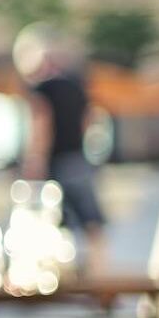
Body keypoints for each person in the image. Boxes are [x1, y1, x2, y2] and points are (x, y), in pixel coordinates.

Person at [15, 23, 108, 275]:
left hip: (55, 161)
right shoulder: (76, 85)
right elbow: (90, 118)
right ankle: (98, 271)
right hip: (78, 158)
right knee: (90, 220)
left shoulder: (42, 89)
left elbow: (41, 124)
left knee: (48, 217)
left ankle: (52, 271)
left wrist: (34, 159)